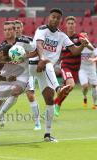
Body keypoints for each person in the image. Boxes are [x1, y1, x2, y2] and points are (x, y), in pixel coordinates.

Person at [29, 8, 89, 142]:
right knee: (12, 93)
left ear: (60, 21)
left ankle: (47, 135)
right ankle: (58, 88)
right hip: (32, 65)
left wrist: (82, 46)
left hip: (45, 70)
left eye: (58, 18)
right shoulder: (41, 29)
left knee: (50, 101)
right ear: (48, 17)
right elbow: (39, 45)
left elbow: (74, 51)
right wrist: (42, 58)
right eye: (53, 17)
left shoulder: (62, 36)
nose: (55, 19)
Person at [0, 20, 41, 132]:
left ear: (21, 28)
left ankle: (37, 123)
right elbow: (1, 57)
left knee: (30, 95)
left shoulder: (26, 41)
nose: (17, 29)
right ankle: (0, 117)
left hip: (25, 73)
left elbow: (36, 51)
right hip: (10, 73)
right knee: (4, 97)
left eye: (19, 27)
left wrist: (24, 56)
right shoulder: (6, 44)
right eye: (15, 27)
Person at [54, 16, 84, 116]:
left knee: (68, 88)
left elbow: (91, 48)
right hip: (66, 65)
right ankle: (56, 105)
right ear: (66, 25)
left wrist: (85, 43)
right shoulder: (62, 38)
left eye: (72, 23)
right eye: (69, 23)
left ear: (75, 25)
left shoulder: (79, 37)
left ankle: (55, 103)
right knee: (70, 85)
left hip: (76, 68)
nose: (71, 25)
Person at [78, 32, 97, 109]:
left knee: (94, 86)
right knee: (85, 86)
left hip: (92, 69)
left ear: (87, 37)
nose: (84, 37)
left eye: (85, 36)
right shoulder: (79, 47)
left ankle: (94, 104)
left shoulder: (93, 47)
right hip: (82, 69)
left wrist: (93, 59)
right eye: (82, 36)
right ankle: (85, 96)